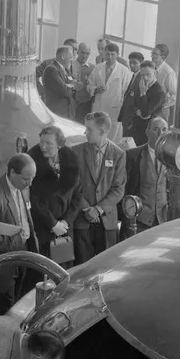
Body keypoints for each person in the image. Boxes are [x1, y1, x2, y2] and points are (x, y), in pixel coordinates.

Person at [0, 153, 39, 317]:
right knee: (3, 313)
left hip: (20, 261)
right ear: (11, 172)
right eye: (26, 179)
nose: (30, 183)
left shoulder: (22, 187)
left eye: (32, 178)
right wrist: (18, 241)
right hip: (1, 271)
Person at [71, 112, 126, 264]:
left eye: (89, 129)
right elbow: (73, 186)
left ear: (102, 132)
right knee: (82, 267)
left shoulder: (119, 155)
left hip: (107, 221)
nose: (85, 132)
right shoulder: (76, 152)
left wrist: (98, 209)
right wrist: (88, 209)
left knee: (106, 267)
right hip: (83, 219)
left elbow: (118, 189)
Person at [27, 125, 82, 260]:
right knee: (43, 271)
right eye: (41, 142)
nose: (43, 147)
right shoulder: (31, 162)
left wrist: (65, 222)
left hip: (65, 228)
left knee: (63, 269)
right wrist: (53, 224)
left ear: (59, 145)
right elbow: (33, 199)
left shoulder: (71, 160)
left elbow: (78, 194)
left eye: (48, 143)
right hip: (43, 228)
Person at [120, 117, 169, 239]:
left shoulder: (173, 158)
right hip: (138, 221)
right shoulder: (132, 155)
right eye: (156, 129)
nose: (160, 133)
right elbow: (124, 188)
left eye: (164, 130)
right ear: (147, 132)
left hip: (164, 220)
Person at [88, 42, 133, 143]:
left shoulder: (124, 71)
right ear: (104, 54)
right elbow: (89, 84)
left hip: (115, 107)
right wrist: (95, 89)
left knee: (113, 136)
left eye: (113, 54)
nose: (110, 57)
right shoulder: (98, 68)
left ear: (117, 54)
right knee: (97, 131)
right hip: (99, 105)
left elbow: (127, 91)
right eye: (107, 54)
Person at [130, 61, 166, 146]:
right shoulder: (141, 85)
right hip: (138, 128)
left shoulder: (159, 92)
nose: (145, 78)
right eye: (142, 75)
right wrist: (137, 112)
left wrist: (143, 94)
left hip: (151, 131)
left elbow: (145, 113)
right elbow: (131, 105)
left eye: (148, 74)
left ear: (155, 73)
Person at [41, 46, 76, 119]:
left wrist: (70, 85)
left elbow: (79, 83)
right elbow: (65, 91)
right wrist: (72, 86)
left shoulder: (65, 69)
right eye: (70, 57)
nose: (71, 60)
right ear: (63, 56)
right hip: (57, 113)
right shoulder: (51, 69)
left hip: (67, 112)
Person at [117, 52, 145, 139]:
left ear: (141, 63)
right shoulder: (134, 76)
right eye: (130, 63)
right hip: (128, 118)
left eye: (135, 63)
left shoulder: (142, 78)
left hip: (133, 120)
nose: (132, 65)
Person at [151, 44, 178, 124]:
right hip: (149, 108)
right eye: (152, 53)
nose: (152, 56)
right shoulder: (151, 68)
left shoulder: (168, 72)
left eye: (155, 54)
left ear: (162, 56)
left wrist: (162, 106)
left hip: (161, 111)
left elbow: (174, 95)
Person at [71, 42, 95, 123]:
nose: (84, 56)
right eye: (82, 52)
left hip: (85, 105)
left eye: (87, 53)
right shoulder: (69, 65)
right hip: (71, 103)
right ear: (77, 52)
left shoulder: (93, 69)